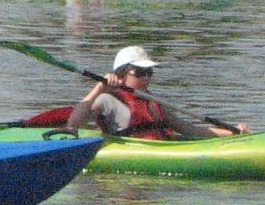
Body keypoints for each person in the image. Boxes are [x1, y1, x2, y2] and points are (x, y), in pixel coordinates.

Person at [65, 46, 247, 139]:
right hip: (133, 152)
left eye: (149, 72)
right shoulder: (107, 99)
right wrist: (99, 88)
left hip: (161, 145)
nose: (146, 78)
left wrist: (232, 132)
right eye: (140, 72)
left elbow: (189, 129)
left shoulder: (152, 101)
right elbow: (74, 124)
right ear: (121, 74)